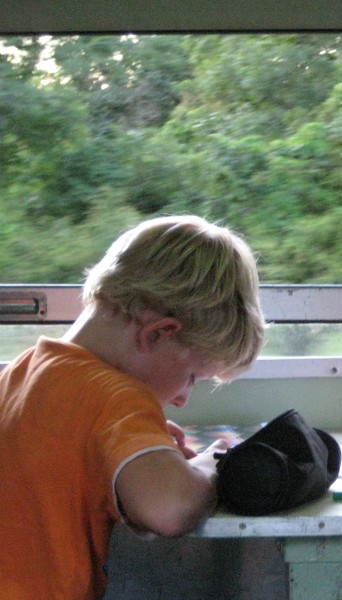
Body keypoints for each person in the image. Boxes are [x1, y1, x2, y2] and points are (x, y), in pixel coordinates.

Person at [0, 215, 266, 600]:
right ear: (158, 332)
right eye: (192, 375)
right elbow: (170, 509)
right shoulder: (116, 396)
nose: (181, 399)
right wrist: (211, 466)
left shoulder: (19, 374)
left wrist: (149, 454)